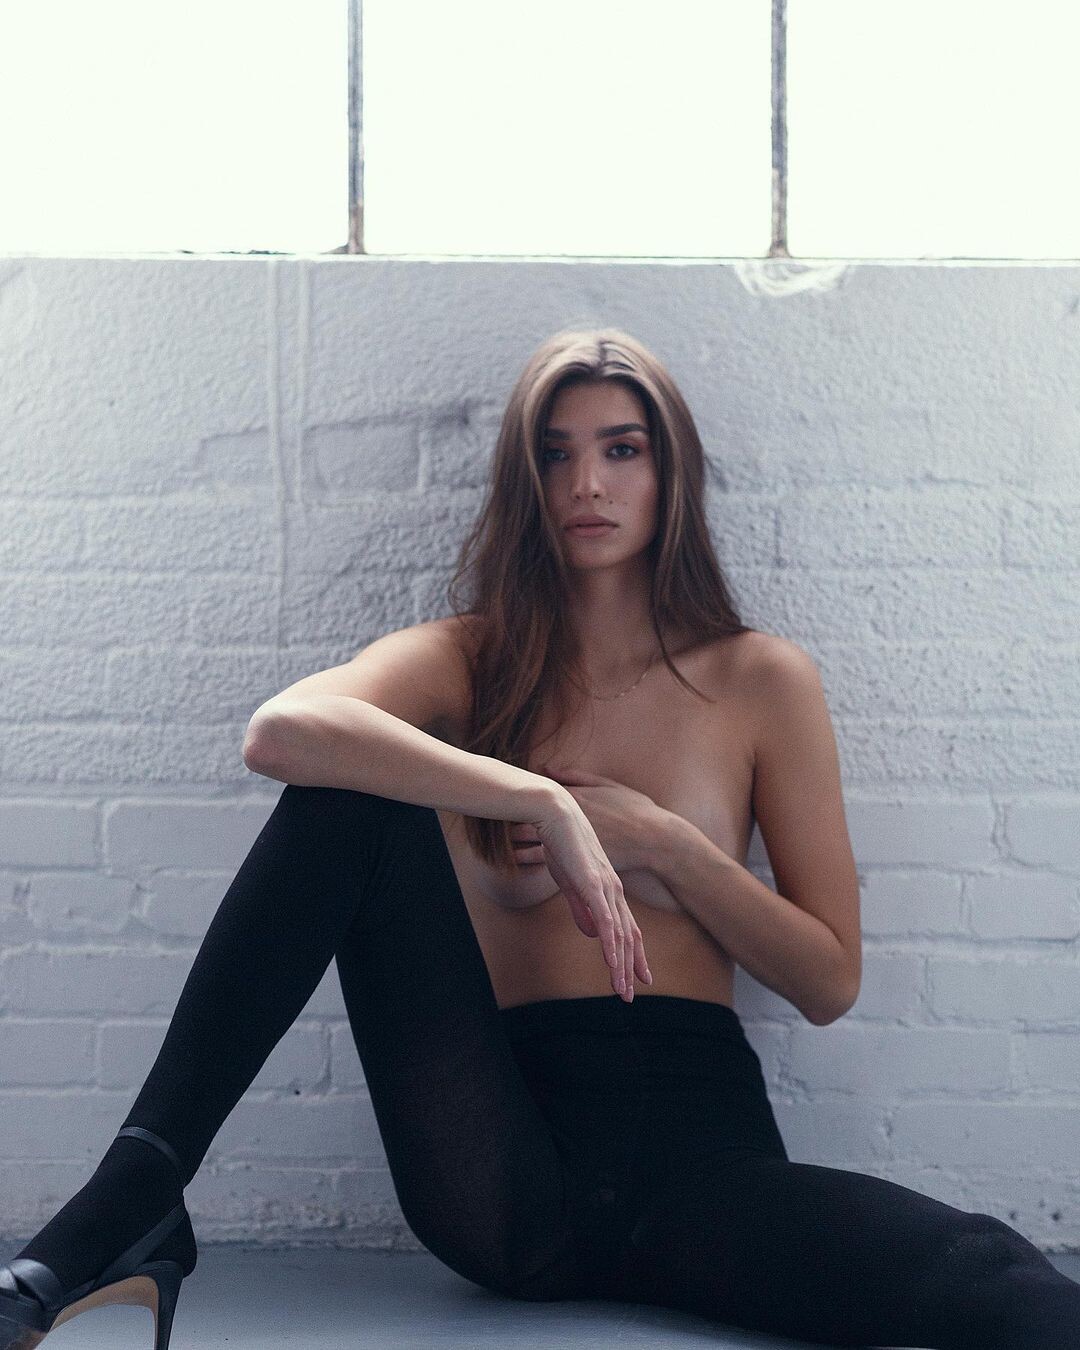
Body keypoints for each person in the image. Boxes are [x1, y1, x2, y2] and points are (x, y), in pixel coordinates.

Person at [2, 328, 1078, 1350]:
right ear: (526, 481)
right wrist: (539, 799)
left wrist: (659, 841)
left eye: (622, 449)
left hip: (705, 1164)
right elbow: (281, 733)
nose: (587, 484)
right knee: (345, 794)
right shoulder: (468, 663)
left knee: (987, 1271)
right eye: (556, 455)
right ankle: (137, 1190)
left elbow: (830, 980)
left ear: (670, 470)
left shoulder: (760, 680)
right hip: (498, 1162)